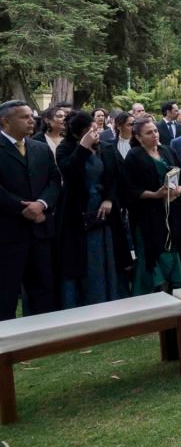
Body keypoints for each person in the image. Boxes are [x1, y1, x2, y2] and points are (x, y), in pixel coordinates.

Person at [55, 112, 132, 306]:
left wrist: (109, 199)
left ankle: (113, 295)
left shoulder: (106, 148)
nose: (95, 132)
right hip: (77, 212)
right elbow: (69, 172)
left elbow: (115, 177)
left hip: (105, 210)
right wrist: (82, 147)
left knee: (109, 253)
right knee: (84, 257)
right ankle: (85, 300)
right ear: (78, 133)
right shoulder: (65, 149)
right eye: (90, 129)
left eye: (95, 129)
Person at [0, 101, 60, 320]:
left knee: (43, 286)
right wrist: (22, 208)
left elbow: (54, 180)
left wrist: (42, 204)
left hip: (40, 229)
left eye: (30, 116)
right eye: (24, 117)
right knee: (6, 291)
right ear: (5, 121)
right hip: (9, 231)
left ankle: (43, 334)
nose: (31, 121)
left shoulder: (39, 148)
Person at [122, 117, 181, 295]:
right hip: (148, 216)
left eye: (155, 130)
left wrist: (179, 189)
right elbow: (130, 189)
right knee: (152, 251)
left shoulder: (168, 150)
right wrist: (155, 195)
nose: (154, 134)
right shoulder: (134, 156)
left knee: (172, 249)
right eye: (149, 132)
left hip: (171, 213)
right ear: (138, 137)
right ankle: (153, 292)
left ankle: (174, 288)